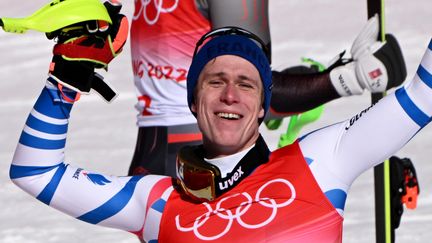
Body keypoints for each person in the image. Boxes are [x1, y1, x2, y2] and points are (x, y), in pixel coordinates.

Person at [9, 7, 431, 240]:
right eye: (216, 82)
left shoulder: (321, 161)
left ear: (264, 105)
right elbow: (35, 173)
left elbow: (422, 96)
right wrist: (65, 81)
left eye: (246, 85)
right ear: (194, 99)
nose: (230, 95)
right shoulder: (154, 200)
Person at [128, 0, 406, 177]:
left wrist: (320, 76)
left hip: (151, 159)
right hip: (205, 164)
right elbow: (258, 101)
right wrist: (353, 78)